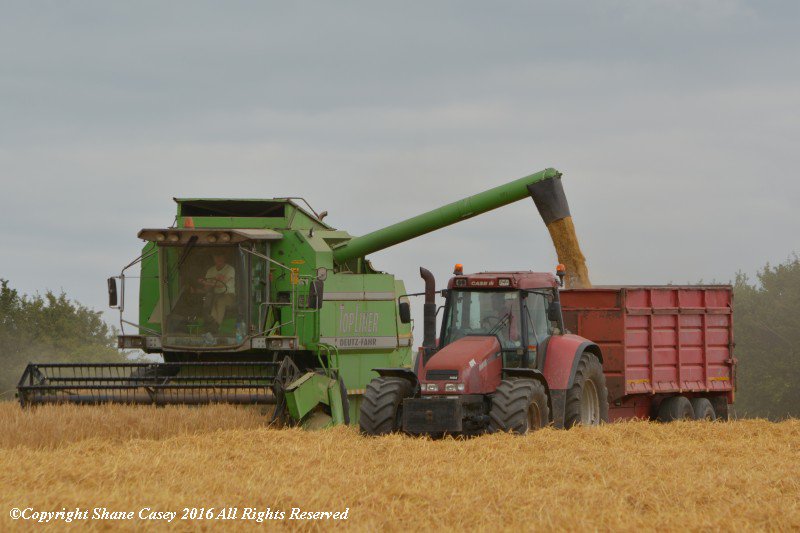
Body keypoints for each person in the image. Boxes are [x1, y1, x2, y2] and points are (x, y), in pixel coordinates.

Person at [198, 253, 236, 332]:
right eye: (216, 256)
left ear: (224, 258)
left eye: (220, 256)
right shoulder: (211, 270)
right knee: (208, 302)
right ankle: (210, 326)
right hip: (215, 295)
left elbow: (221, 284)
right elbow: (207, 288)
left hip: (229, 295)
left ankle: (216, 327)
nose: (218, 258)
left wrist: (206, 283)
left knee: (220, 301)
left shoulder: (230, 269)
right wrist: (199, 286)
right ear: (213, 258)